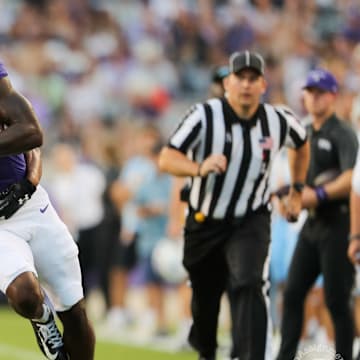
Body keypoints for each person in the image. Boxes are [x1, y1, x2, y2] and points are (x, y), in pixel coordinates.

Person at [158, 50, 310, 360]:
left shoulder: (278, 120)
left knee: (249, 281)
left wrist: (297, 189)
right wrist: (199, 168)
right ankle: (207, 348)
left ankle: (248, 354)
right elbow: (167, 158)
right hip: (205, 221)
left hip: (250, 218)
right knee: (205, 293)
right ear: (228, 82)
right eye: (240, 78)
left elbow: (301, 143)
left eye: (253, 79)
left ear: (263, 85)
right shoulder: (203, 115)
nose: (246, 85)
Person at [0, 62, 95, 359]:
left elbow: (32, 134)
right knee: (25, 296)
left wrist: (31, 179)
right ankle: (43, 319)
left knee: (74, 310)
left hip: (30, 205)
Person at [276, 68, 358, 360]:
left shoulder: (343, 132)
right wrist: (287, 194)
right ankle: (285, 354)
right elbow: (299, 178)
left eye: (319, 92)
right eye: (309, 92)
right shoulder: (303, 130)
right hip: (311, 225)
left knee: (336, 300)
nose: (313, 98)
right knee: (294, 291)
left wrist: (319, 194)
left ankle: (344, 356)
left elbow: (352, 178)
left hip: (338, 222)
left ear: (333, 96)